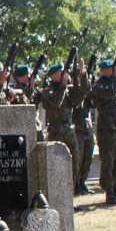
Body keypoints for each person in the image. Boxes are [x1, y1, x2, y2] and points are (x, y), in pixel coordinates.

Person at [39, 63, 86, 200]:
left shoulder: (67, 89)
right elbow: (56, 102)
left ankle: (69, 197)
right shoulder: (48, 90)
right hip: (57, 132)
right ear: (53, 75)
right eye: (61, 72)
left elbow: (83, 93)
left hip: (69, 130)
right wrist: (64, 86)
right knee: (58, 166)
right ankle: (59, 197)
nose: (64, 74)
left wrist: (82, 74)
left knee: (75, 164)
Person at [89, 59, 116, 205]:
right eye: (112, 68)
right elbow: (110, 94)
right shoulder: (98, 85)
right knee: (108, 161)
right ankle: (109, 191)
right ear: (105, 70)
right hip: (107, 129)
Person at [73, 79, 97, 195]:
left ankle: (83, 181)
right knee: (79, 156)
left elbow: (93, 102)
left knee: (88, 156)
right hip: (77, 128)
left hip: (87, 127)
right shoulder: (71, 90)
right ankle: (76, 183)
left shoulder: (86, 91)